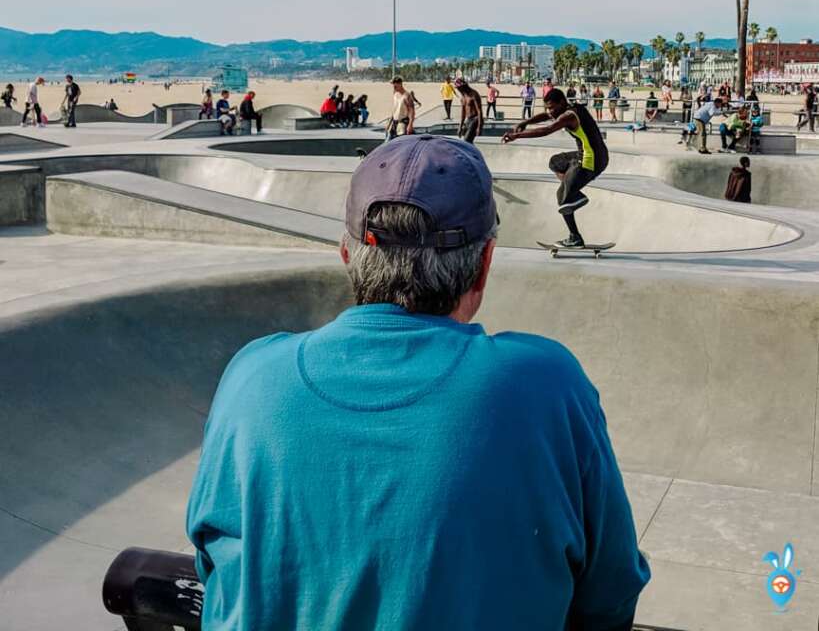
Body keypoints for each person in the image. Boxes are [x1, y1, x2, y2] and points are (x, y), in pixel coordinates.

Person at [186, 135, 650, 631]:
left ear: (347, 253)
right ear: (484, 264)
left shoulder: (253, 376)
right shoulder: (546, 385)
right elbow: (611, 592)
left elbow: (213, 564)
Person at [503, 87, 609, 249]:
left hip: (591, 160)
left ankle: (575, 236)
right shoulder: (569, 109)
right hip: (595, 154)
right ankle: (573, 191)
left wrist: (517, 136)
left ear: (562, 103)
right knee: (556, 162)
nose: (550, 111)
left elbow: (547, 130)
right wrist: (526, 122)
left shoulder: (569, 116)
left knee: (562, 198)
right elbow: (546, 116)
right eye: (547, 107)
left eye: (552, 107)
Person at [455, 77, 483, 143]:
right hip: (468, 120)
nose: (458, 90)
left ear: (463, 86)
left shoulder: (474, 94)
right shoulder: (463, 97)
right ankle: (472, 152)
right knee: (466, 139)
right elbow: (463, 113)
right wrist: (460, 126)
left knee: (466, 141)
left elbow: (479, 111)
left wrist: (479, 126)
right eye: (457, 88)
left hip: (475, 119)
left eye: (459, 88)